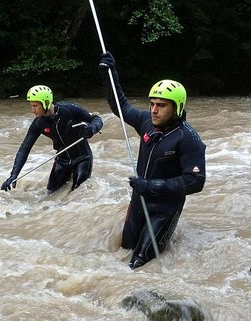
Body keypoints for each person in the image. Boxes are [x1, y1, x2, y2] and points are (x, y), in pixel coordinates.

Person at [98, 51, 206, 269]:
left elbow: (195, 181)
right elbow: (120, 106)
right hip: (138, 202)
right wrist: (110, 75)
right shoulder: (147, 122)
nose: (154, 110)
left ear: (177, 107)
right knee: (125, 250)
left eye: (162, 105)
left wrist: (151, 185)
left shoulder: (189, 139)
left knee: (136, 264)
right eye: (152, 104)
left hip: (164, 209)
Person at [1, 85, 103, 194]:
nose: (32, 110)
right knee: (50, 194)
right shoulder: (38, 123)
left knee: (78, 193)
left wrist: (93, 128)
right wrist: (14, 175)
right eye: (31, 106)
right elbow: (24, 149)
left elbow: (96, 119)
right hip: (62, 160)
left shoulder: (69, 110)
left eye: (35, 106)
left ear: (46, 103)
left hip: (82, 158)